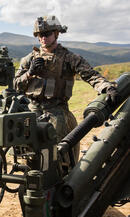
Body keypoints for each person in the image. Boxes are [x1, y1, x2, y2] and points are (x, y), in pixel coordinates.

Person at [14, 15, 117, 161]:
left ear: (56, 34)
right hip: (32, 111)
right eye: (40, 35)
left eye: (47, 34)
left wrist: (106, 87)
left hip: (58, 112)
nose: (43, 38)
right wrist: (29, 74)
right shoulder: (29, 59)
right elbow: (16, 85)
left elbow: (90, 75)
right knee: (29, 156)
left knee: (60, 157)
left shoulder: (69, 58)